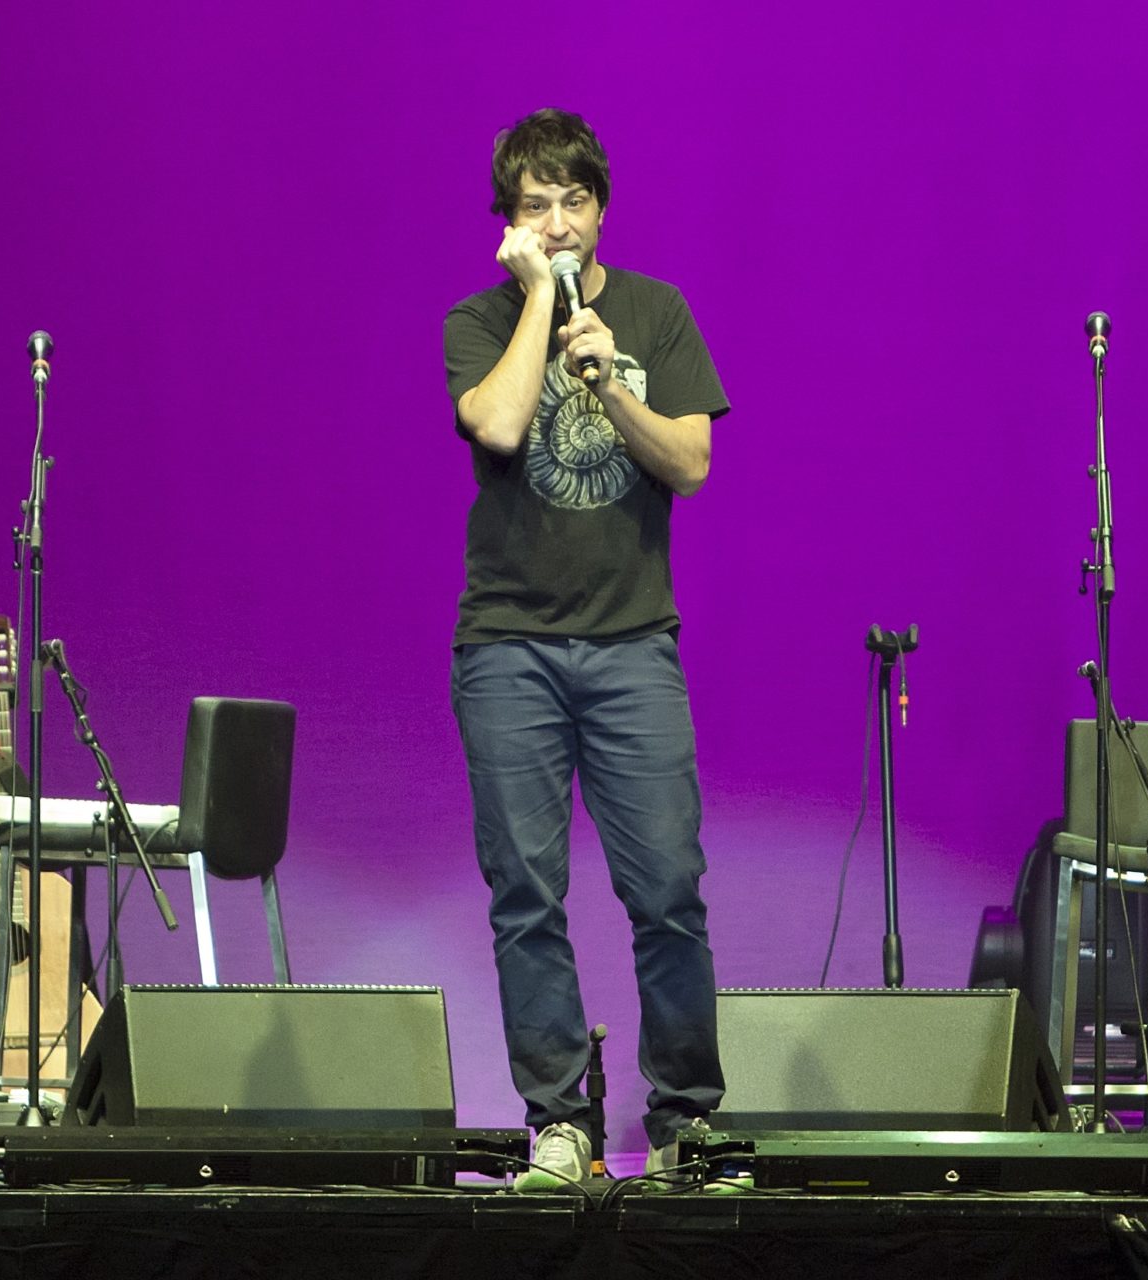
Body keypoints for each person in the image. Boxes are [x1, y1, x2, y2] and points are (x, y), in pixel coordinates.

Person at [443, 107, 730, 1191]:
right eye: (533, 207)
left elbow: (692, 464)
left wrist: (608, 379)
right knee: (527, 895)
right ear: (508, 224)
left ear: (601, 207)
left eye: (571, 201)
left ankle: (684, 1121)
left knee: (667, 887)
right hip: (508, 646)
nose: (556, 223)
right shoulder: (476, 320)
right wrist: (537, 305)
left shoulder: (657, 315)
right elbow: (505, 427)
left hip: (630, 646)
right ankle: (558, 1123)